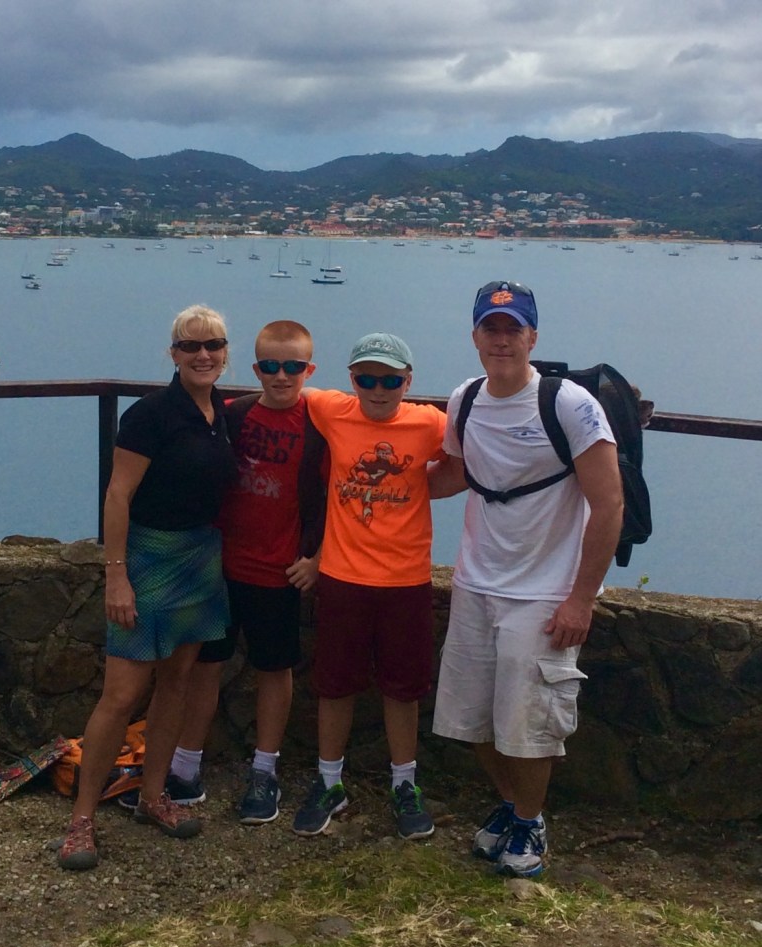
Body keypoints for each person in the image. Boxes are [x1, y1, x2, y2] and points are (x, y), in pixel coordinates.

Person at [428, 280, 624, 878]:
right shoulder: (464, 399)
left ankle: (531, 820)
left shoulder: (568, 405)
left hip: (543, 592)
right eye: (492, 328)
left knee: (528, 725)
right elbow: (455, 474)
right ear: (476, 336)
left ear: (533, 337)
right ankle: (516, 807)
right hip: (477, 582)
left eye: (514, 329)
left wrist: (581, 600)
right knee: (472, 718)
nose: (503, 339)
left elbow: (608, 503)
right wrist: (370, 480)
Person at [57, 305, 238, 871]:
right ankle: (81, 820)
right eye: (190, 346)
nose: (203, 354)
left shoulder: (220, 412)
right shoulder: (149, 415)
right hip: (147, 558)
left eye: (212, 344)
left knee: (177, 684)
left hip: (201, 558)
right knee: (120, 695)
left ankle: (153, 796)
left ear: (225, 350)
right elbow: (118, 496)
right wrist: (116, 574)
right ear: (173, 354)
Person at [137, 320, 326, 824]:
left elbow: (344, 495)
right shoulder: (232, 415)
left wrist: (320, 558)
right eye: (270, 366)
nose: (281, 376)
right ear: (255, 367)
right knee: (203, 667)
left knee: (273, 669)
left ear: (309, 369)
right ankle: (185, 767)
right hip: (217, 566)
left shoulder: (322, 424)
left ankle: (265, 773)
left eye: (293, 367)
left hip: (279, 570)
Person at [292, 332, 447, 840]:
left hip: (406, 580)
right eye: (366, 378)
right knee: (334, 685)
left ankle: (405, 784)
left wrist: (427, 485)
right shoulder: (334, 409)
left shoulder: (430, 422)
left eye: (390, 380)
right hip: (342, 575)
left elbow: (479, 450)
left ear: (408, 381)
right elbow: (284, 387)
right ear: (352, 379)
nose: (378, 390)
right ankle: (329, 781)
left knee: (403, 689)